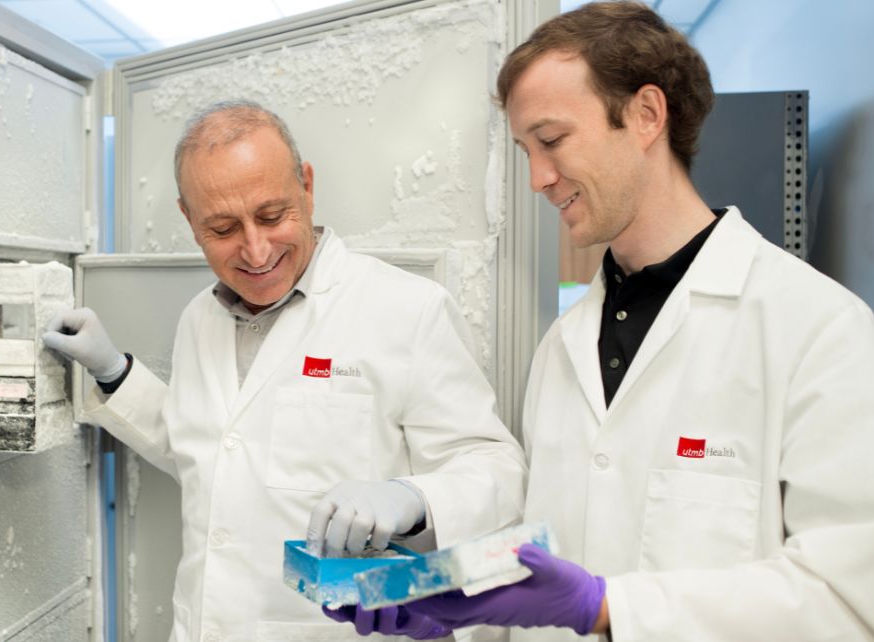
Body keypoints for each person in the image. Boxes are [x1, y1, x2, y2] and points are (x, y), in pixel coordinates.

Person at [326, 1, 874, 640]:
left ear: (646, 115)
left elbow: (845, 601)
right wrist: (454, 614)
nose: (537, 177)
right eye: (526, 150)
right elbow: (544, 575)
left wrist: (608, 608)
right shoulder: (563, 346)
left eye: (552, 140)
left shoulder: (819, 331)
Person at [43, 100, 527, 641]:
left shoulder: (407, 310)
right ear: (188, 218)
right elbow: (208, 457)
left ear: (307, 186)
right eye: (223, 228)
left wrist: (411, 500)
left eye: (272, 216)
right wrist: (113, 372)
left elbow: (497, 471)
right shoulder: (200, 318)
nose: (255, 249)